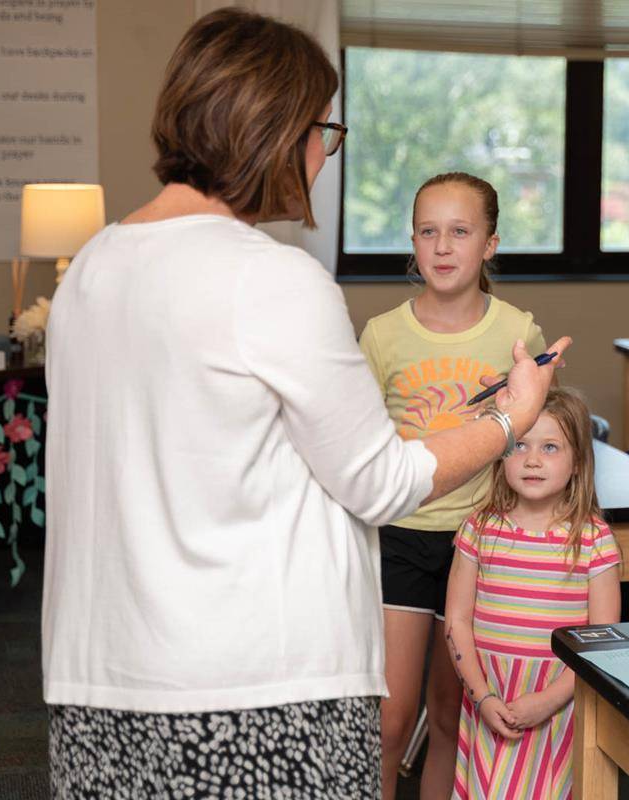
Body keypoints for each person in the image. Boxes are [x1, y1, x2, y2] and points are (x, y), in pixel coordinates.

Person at [41, 9, 569, 797]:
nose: (324, 151)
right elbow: (380, 481)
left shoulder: (91, 268)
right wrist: (509, 420)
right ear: (275, 128)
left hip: (101, 680)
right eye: (323, 129)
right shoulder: (274, 280)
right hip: (255, 685)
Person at [358, 171, 548, 799]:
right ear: (412, 243)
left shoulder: (519, 332)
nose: (442, 247)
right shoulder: (382, 335)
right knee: (388, 722)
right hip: (399, 539)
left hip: (481, 545)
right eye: (428, 232)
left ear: (489, 244)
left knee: (450, 717)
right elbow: (358, 450)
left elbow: (537, 444)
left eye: (460, 232)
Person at [444, 388, 621, 800]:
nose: (533, 459)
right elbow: (456, 621)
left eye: (551, 447)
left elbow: (602, 642)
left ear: (578, 461)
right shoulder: (479, 530)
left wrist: (546, 701)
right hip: (489, 695)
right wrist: (483, 697)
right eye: (519, 444)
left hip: (559, 702)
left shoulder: (594, 540)